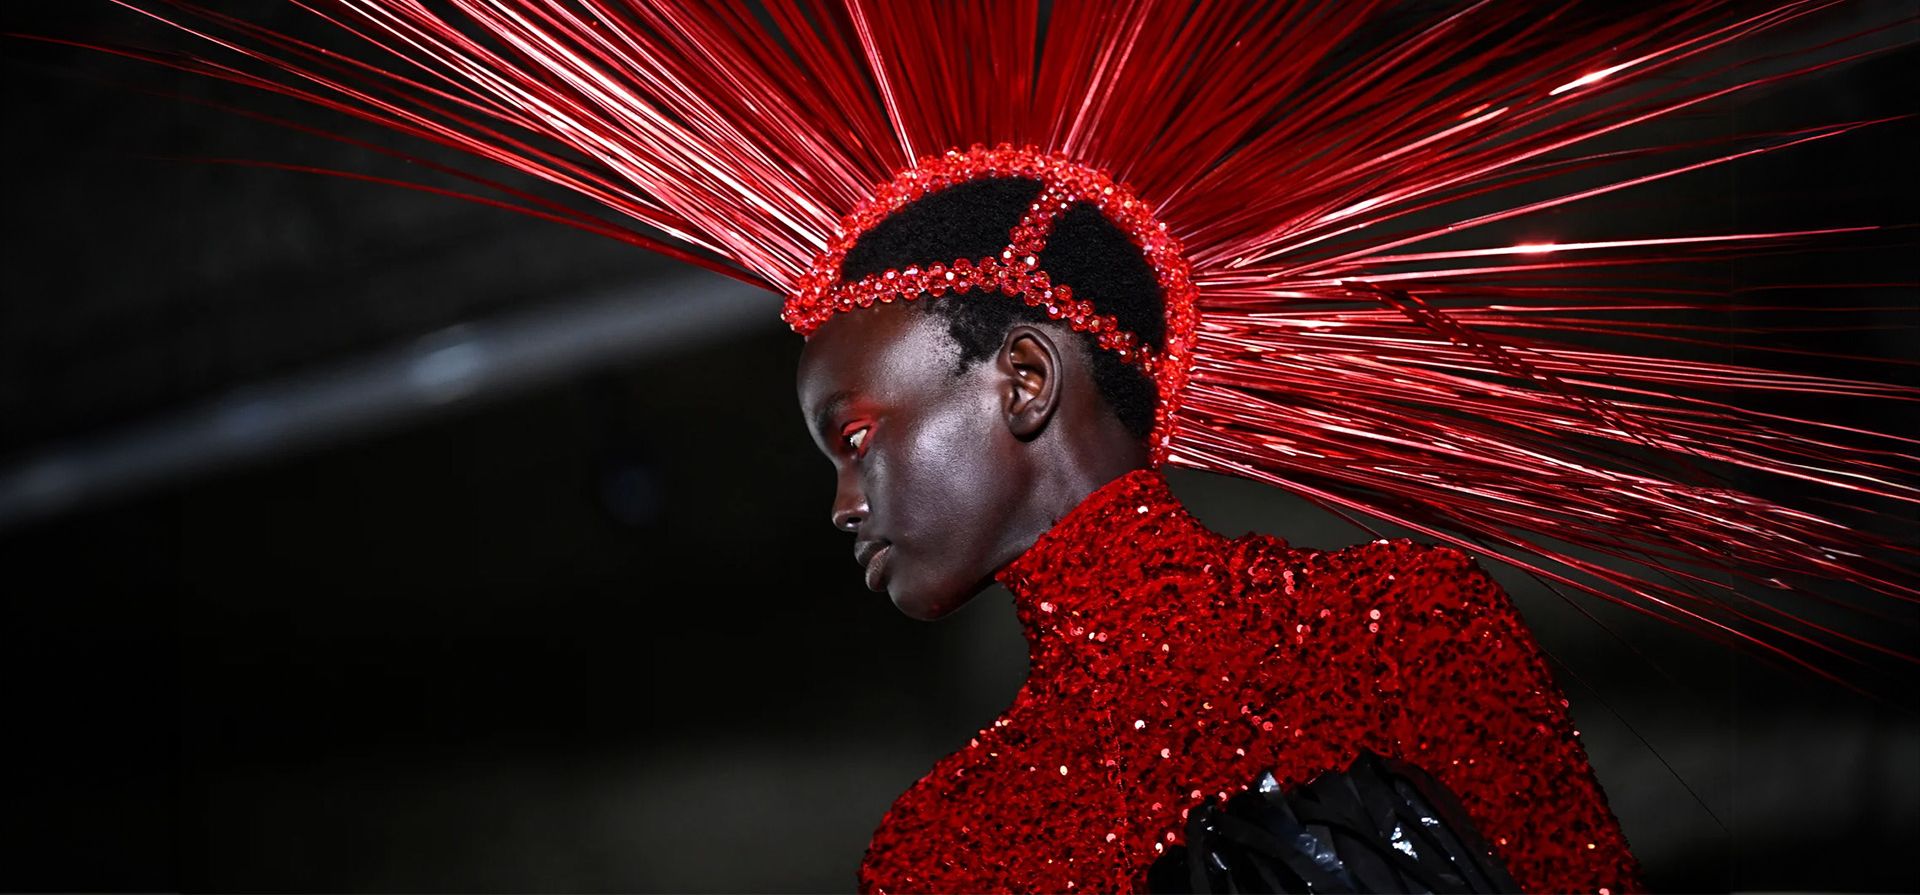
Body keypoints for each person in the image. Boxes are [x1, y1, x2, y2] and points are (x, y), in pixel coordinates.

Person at [57, 1, 1915, 892]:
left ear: (1022, 385)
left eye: (856, 429)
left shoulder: (1415, 627)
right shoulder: (943, 850)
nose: (841, 497)